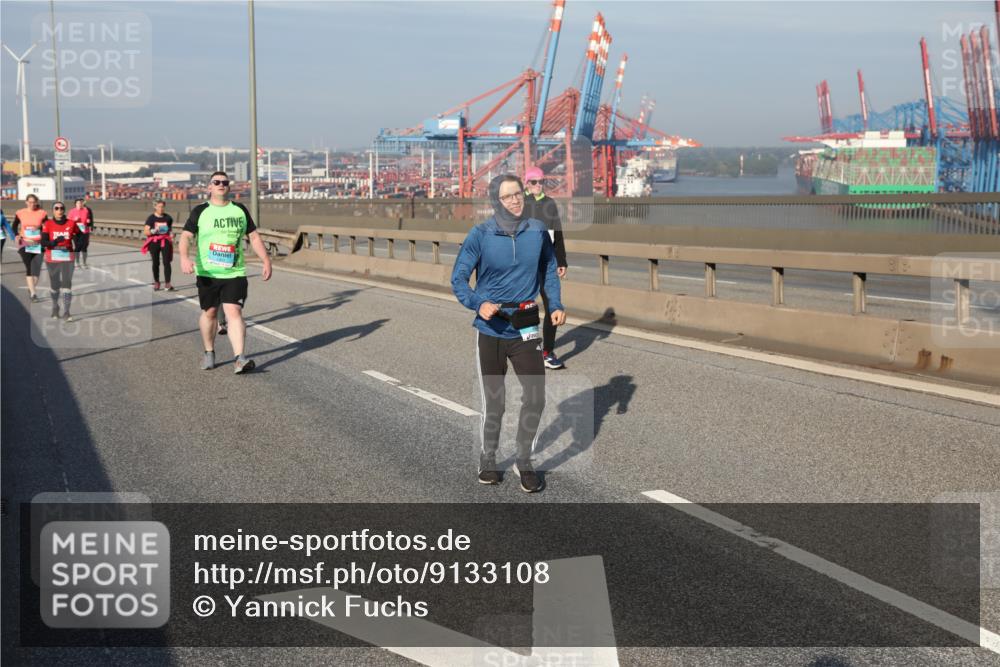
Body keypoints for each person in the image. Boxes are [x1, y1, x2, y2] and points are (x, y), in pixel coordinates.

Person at [451, 174, 565, 493]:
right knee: (496, 403)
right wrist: (477, 302)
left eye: (518, 194)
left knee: (536, 397)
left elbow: (548, 270)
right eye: (507, 197)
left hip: (526, 325)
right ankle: (488, 459)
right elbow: (458, 279)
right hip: (491, 327)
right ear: (494, 202)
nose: (515, 200)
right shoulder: (480, 235)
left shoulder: (537, 231)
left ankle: (523, 461)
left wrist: (554, 303)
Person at [179, 171, 272, 374]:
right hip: (207, 273)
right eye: (216, 182)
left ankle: (239, 358)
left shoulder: (239, 210)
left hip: (234, 272)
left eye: (225, 182)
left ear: (229, 187)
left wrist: (266, 259)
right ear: (209, 187)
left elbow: (254, 237)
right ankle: (209, 352)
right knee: (210, 312)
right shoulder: (200, 211)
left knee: (234, 312)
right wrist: (184, 258)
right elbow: (185, 237)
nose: (221, 184)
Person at [522, 166, 569, 369]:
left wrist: (562, 261)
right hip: (524, 263)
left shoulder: (550, 204)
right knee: (524, 307)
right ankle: (525, 348)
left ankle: (548, 352)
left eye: (541, 182)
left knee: (553, 305)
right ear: (526, 183)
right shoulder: (519, 204)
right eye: (534, 182)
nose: (538, 186)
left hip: (546, 261)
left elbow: (557, 234)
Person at [40, 201, 78, 320]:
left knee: (67, 284)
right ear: (53, 211)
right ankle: (55, 307)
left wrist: (78, 246)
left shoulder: (72, 223)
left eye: (61, 208)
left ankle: (67, 312)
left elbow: (79, 237)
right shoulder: (48, 224)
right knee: (55, 285)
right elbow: (43, 242)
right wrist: (55, 242)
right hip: (52, 258)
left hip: (68, 258)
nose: (59, 210)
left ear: (64, 210)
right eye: (56, 208)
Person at [12, 194, 47, 302]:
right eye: (30, 202)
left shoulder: (42, 213)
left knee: (36, 270)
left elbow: (46, 228)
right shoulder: (20, 213)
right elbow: (14, 225)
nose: (32, 204)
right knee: (29, 267)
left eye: (34, 202)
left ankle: (31, 287)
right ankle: (33, 294)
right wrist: (16, 235)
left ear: (37, 202)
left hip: (37, 243)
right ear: (26, 202)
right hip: (25, 242)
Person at [142, 200, 175, 291]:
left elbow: (170, 230)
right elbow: (146, 232)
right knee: (156, 263)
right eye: (159, 206)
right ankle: (157, 282)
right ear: (155, 207)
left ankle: (168, 283)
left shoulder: (168, 218)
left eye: (162, 206)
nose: (161, 208)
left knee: (166, 262)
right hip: (154, 242)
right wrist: (154, 231)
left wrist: (172, 234)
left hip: (165, 241)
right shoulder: (151, 218)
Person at [67, 198, 93, 268]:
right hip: (76, 231)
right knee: (77, 247)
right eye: (78, 203)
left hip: (85, 231)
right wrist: (74, 220)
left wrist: (88, 222)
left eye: (81, 203)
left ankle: (84, 263)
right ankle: (77, 262)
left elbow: (89, 219)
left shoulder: (85, 211)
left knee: (84, 247)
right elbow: (68, 222)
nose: (80, 204)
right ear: (75, 204)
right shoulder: (72, 211)